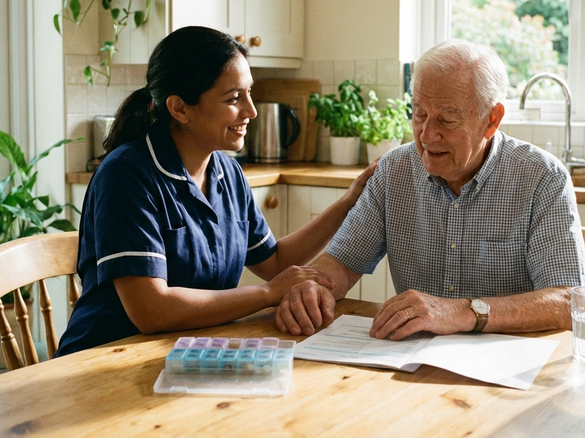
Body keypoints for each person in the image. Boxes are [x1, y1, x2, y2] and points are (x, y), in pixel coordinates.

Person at [56, 26, 374, 356]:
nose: (251, 111)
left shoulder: (227, 173)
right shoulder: (126, 175)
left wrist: (349, 202)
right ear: (180, 108)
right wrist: (268, 294)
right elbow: (152, 310)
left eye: (249, 93)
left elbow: (275, 261)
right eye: (234, 98)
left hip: (189, 353)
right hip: (102, 359)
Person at [275, 39, 585, 341]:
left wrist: (462, 312)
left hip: (509, 363)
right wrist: (314, 288)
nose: (427, 135)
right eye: (419, 114)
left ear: (491, 120)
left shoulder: (542, 177)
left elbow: (569, 302)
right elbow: (341, 266)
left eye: (447, 119)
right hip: (412, 360)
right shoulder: (393, 170)